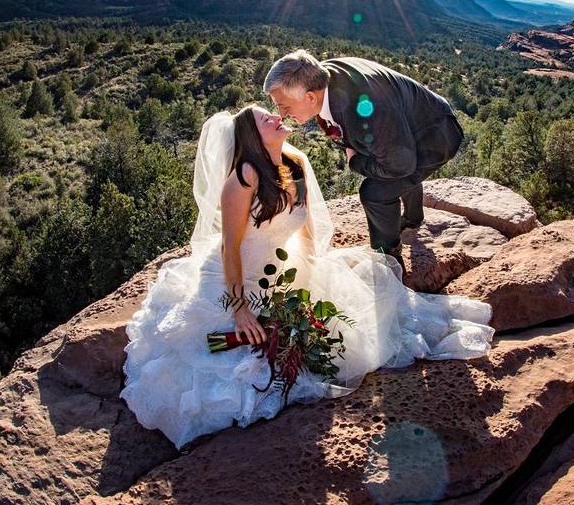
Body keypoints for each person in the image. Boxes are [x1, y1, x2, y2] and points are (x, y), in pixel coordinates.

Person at [120, 105, 493, 449]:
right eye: (266, 118)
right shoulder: (242, 178)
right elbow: (229, 249)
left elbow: (306, 233)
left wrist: (317, 272)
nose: (276, 117)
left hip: (278, 275)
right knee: (220, 353)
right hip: (232, 280)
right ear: (252, 135)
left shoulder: (295, 164)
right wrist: (239, 310)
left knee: (344, 326)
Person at [265, 50, 464, 270]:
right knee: (387, 155)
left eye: (284, 105)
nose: (280, 114)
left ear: (310, 96)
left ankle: (388, 258)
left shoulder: (361, 112)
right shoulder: (322, 76)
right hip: (416, 124)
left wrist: (355, 161)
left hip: (436, 136)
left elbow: (400, 165)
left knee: (374, 192)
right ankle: (413, 217)